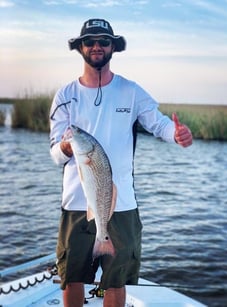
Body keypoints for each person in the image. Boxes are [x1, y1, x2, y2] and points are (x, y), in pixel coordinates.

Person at [49, 18, 192, 307]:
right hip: (76, 203)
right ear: (80, 47)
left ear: (113, 46)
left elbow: (159, 124)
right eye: (89, 41)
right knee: (72, 278)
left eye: (103, 41)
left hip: (123, 203)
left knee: (114, 282)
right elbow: (55, 154)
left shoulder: (132, 90)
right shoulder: (65, 95)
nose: (97, 46)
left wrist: (177, 135)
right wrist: (66, 145)